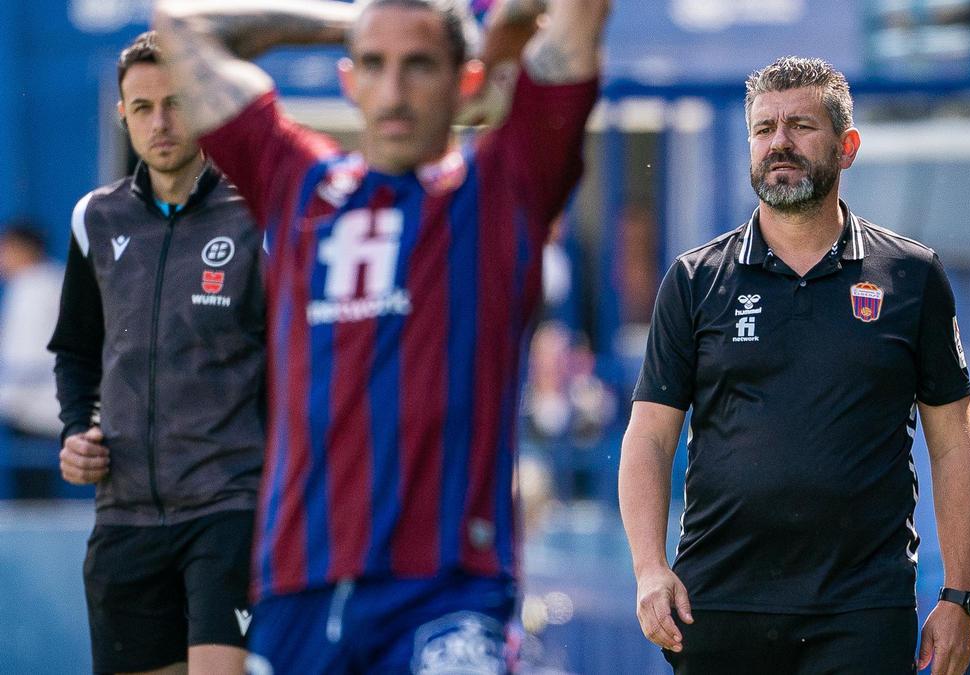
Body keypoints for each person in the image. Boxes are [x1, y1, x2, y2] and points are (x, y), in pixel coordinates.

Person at [152, 0, 609, 671]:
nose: (394, 91)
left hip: (448, 590)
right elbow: (181, 24)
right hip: (297, 588)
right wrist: (363, 19)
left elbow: (582, 14)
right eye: (374, 63)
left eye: (419, 64)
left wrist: (495, 20)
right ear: (349, 79)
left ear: (467, 80)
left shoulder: (499, 189)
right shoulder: (297, 184)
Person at [618, 56, 970, 675]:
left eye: (800, 127)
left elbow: (953, 441)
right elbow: (650, 438)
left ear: (848, 147)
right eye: (764, 130)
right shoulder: (693, 280)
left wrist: (959, 595)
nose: (779, 144)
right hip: (720, 603)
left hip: (863, 607)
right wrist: (650, 569)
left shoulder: (911, 276)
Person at [47, 31, 266, 675]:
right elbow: (76, 352)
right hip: (125, 519)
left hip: (229, 508)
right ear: (123, 115)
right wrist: (75, 431)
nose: (160, 122)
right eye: (142, 108)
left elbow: (295, 362)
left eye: (174, 103)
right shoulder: (96, 218)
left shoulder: (257, 214)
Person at [0, 222, 64, 498]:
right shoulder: (55, 279)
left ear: (22, 250)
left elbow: (26, 358)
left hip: (36, 408)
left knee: (35, 496)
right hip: (51, 404)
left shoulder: (32, 287)